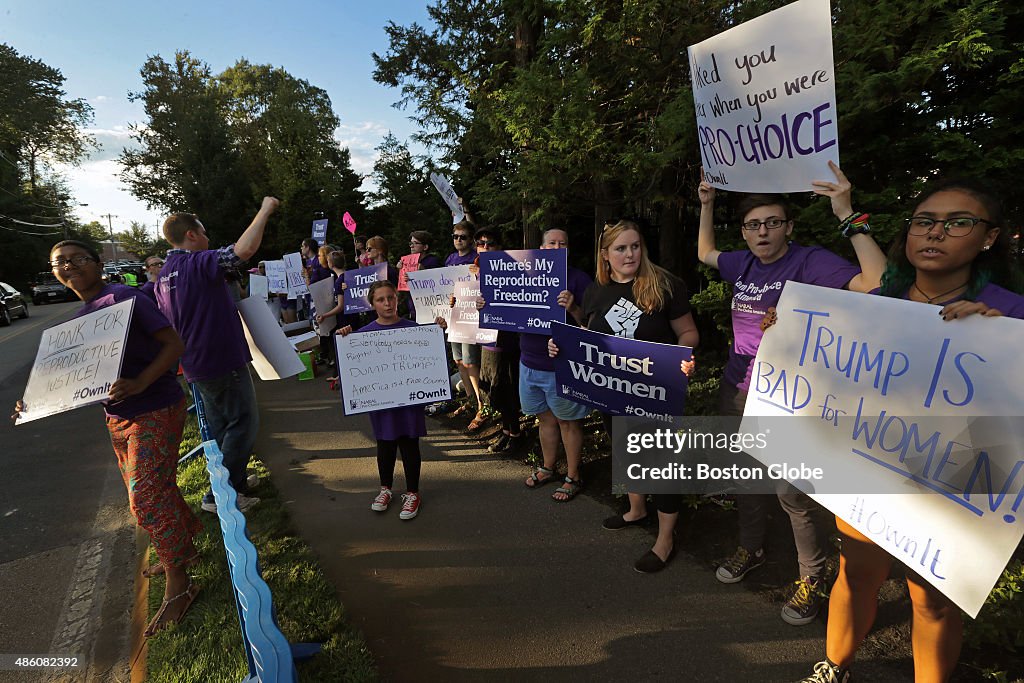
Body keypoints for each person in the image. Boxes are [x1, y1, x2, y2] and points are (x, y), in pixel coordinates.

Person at [801, 179, 1024, 683]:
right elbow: (829, 371)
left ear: (988, 238)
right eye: (924, 221)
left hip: (953, 488)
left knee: (931, 602)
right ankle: (834, 667)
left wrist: (1000, 343)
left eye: (958, 222)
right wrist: (789, 336)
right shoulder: (878, 301)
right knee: (856, 576)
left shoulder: (1010, 313)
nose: (936, 232)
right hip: (869, 472)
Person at [697, 163, 887, 625]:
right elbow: (705, 253)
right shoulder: (741, 263)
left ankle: (811, 576)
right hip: (739, 390)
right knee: (747, 479)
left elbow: (877, 284)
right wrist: (706, 204)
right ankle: (751, 547)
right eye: (753, 225)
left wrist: (848, 214)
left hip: (790, 398)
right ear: (744, 232)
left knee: (791, 492)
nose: (762, 232)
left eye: (772, 223)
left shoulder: (809, 261)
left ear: (789, 227)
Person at [15, 240, 202, 637]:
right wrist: (33, 402)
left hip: (155, 409)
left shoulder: (125, 298)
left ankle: (180, 585)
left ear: (99, 264)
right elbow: (74, 379)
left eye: (78, 259)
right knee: (157, 491)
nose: (68, 266)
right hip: (117, 418)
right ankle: (181, 549)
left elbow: (174, 346)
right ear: (52, 273)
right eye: (59, 263)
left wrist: (139, 382)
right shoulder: (83, 317)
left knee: (147, 499)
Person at [550, 220, 699, 572]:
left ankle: (665, 539)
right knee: (623, 445)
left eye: (635, 246)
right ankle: (636, 509)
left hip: (655, 390)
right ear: (606, 255)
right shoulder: (597, 291)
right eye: (620, 248)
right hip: (611, 390)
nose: (629, 254)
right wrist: (564, 346)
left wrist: (683, 357)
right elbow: (591, 335)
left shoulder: (664, 284)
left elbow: (689, 332)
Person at [155, 196, 280, 514]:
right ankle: (219, 495)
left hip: (197, 364)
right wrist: (265, 210)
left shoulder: (165, 276)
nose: (208, 239)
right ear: (192, 235)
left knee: (225, 425)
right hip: (222, 360)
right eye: (204, 233)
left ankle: (232, 483)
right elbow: (243, 251)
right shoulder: (196, 263)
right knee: (244, 422)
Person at [336, 280, 426, 520]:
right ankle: (385, 488)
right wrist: (345, 339)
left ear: (398, 299)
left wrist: (438, 329)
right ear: (372, 303)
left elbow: (430, 360)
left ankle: (412, 492)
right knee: (385, 444)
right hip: (382, 402)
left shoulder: (415, 329)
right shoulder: (362, 336)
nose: (387, 303)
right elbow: (352, 367)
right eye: (381, 299)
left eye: (391, 298)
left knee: (409, 444)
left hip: (409, 400)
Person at [518, 228, 593, 475]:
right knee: (545, 420)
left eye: (563, 243)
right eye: (552, 243)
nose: (557, 247)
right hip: (528, 363)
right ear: (541, 249)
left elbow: (593, 324)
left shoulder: (579, 279)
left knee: (567, 423)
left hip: (561, 365)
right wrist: (484, 306)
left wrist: (573, 308)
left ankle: (573, 475)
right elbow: (505, 311)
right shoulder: (523, 275)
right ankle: (548, 467)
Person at [470, 227, 524, 443]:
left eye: (490, 243)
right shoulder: (474, 270)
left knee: (504, 387)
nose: (485, 247)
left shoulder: (511, 267)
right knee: (494, 389)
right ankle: (506, 430)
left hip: (505, 338)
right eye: (481, 243)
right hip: (485, 338)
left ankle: (515, 433)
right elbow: (464, 299)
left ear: (500, 246)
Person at [444, 220, 483, 421]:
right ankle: (469, 400)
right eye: (455, 236)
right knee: (459, 360)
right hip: (453, 316)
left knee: (470, 361)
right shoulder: (450, 259)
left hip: (469, 317)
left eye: (463, 237)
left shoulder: (476, 258)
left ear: (470, 239)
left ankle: (481, 404)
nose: (458, 240)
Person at [404, 230, 442, 321]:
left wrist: (423, 272)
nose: (411, 246)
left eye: (415, 243)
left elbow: (439, 284)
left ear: (425, 247)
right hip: (413, 308)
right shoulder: (408, 262)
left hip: (429, 309)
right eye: (411, 243)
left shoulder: (433, 261)